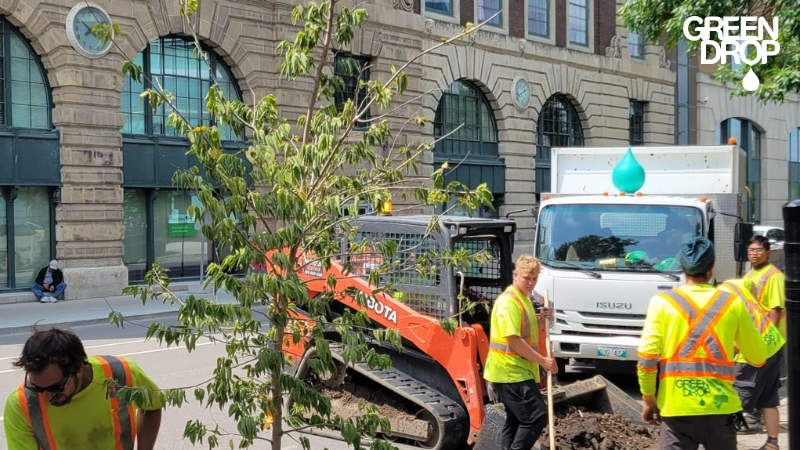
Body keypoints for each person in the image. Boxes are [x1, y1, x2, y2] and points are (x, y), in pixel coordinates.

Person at [637, 237, 767, 450]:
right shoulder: (732, 303)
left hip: (676, 410)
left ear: (683, 269)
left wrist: (649, 399)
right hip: (720, 410)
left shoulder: (661, 303)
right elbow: (758, 357)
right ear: (711, 270)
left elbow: (647, 358)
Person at [3, 328, 163, 450]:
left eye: (56, 387)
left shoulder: (121, 373)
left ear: (78, 368)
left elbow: (152, 407)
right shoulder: (21, 405)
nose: (47, 396)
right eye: (36, 388)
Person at [483, 254, 558, 450]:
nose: (531, 283)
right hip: (510, 371)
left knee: (516, 420)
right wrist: (543, 361)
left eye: (534, 279)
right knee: (536, 417)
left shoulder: (523, 299)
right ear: (515, 275)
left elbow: (526, 331)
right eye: (526, 278)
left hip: (514, 371)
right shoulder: (509, 302)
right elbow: (514, 340)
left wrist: (542, 318)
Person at [719, 278, 785, 449]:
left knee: (732, 405)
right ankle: (772, 443)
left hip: (753, 353)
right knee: (768, 398)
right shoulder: (734, 283)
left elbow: (730, 342)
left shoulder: (715, 303)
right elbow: (753, 286)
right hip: (774, 342)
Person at [745, 235, 785, 339]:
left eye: (759, 250)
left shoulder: (774, 276)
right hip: (755, 332)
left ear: (767, 253)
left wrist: (769, 337)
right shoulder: (748, 274)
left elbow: (776, 309)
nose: (754, 253)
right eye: (751, 250)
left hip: (769, 336)